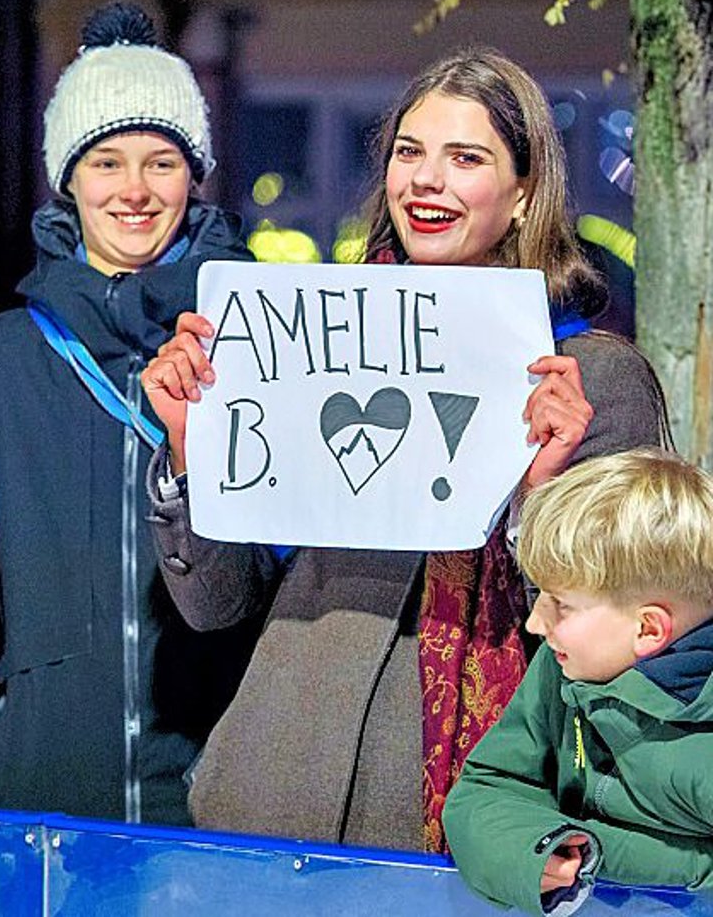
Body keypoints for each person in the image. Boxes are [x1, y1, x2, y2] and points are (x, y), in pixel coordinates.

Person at [141, 47, 671, 851]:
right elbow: (215, 603)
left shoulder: (590, 377)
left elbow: (626, 635)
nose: (428, 179)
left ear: (525, 192)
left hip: (472, 819)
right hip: (276, 790)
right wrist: (191, 450)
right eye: (409, 151)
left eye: (467, 158)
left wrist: (536, 500)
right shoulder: (315, 342)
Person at [0, 1, 260, 825]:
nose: (134, 190)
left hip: (227, 804)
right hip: (44, 799)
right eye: (106, 161)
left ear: (195, 177)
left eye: (162, 162)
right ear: (69, 178)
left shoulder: (257, 346)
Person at [443, 448, 713, 915]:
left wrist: (608, 852)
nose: (534, 623)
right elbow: (490, 784)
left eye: (560, 604)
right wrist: (537, 848)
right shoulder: (562, 665)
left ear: (648, 628)